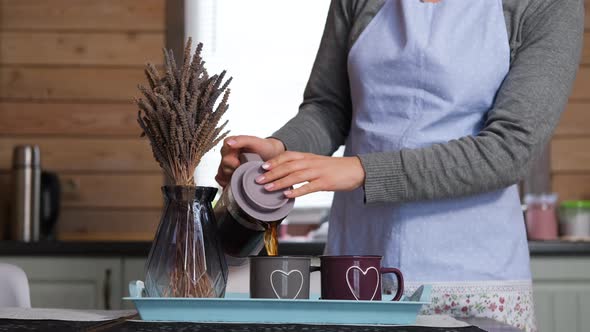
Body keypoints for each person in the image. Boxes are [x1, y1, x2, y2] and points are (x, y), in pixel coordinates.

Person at [216, 1, 583, 330]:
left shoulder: (545, 5)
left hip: (472, 273)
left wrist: (361, 170)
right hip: (360, 264)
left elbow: (509, 150)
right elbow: (329, 107)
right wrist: (280, 148)